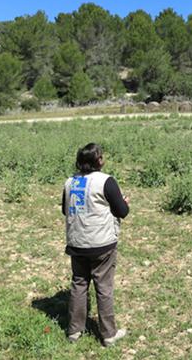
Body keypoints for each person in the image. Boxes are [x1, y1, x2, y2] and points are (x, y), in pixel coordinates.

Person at [61, 143, 130, 347]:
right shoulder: (106, 181)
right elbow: (122, 212)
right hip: (102, 244)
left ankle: (74, 331)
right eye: (101, 156)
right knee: (104, 287)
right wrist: (124, 202)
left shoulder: (69, 182)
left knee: (79, 284)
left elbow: (66, 210)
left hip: (77, 242)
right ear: (98, 161)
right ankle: (108, 334)